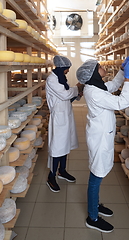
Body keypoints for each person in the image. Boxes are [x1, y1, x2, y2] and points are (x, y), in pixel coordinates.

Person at [76, 56, 129, 233]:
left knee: (98, 173)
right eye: (100, 66)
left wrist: (121, 71)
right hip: (99, 139)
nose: (103, 67)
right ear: (94, 73)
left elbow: (112, 86)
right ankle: (92, 217)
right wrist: (128, 79)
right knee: (96, 176)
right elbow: (121, 102)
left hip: (102, 135)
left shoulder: (96, 87)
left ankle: (95, 205)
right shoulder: (94, 92)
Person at [45, 55, 84, 192]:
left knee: (65, 144)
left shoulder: (61, 78)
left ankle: (62, 171)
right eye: (67, 69)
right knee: (57, 147)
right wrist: (77, 87)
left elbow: (67, 98)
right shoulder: (52, 79)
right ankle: (51, 176)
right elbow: (65, 95)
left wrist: (78, 94)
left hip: (66, 116)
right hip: (58, 118)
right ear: (62, 68)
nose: (67, 71)